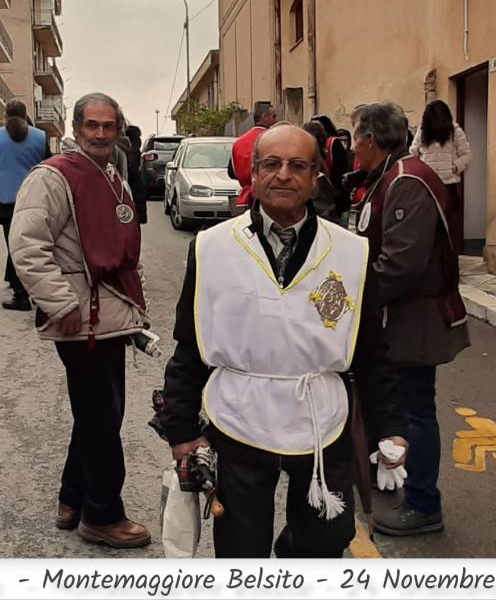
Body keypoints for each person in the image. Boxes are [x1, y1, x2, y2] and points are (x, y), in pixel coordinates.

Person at [159, 123, 407, 558]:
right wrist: (180, 429)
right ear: (253, 175)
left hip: (320, 418)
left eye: (298, 165)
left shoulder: (351, 253)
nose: (283, 175)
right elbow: (190, 344)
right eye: (271, 164)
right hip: (239, 415)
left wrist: (391, 428)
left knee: (326, 540)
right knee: (240, 544)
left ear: (316, 178)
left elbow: (371, 352)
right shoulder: (212, 247)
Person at [9, 92, 151, 549]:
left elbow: (127, 251)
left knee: (96, 413)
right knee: (101, 418)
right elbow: (28, 247)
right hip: (81, 319)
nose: (101, 134)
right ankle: (102, 514)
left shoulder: (114, 178)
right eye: (92, 125)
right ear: (76, 127)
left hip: (109, 314)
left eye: (109, 126)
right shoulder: (51, 178)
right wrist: (60, 302)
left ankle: (72, 499)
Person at [350, 102, 470, 537]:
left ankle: (423, 504)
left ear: (369, 139)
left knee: (415, 410)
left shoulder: (407, 181)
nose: (351, 148)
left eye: (354, 138)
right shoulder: (389, 176)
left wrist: (353, 299)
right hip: (398, 317)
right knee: (396, 403)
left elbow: (400, 265)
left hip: (413, 321)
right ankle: (393, 471)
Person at [0, 99, 49, 311]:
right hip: (36, 198)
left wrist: (0, 175)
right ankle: (40, 294)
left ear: (6, 114)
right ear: (25, 113)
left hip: (7, 199)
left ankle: (20, 297)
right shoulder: (40, 136)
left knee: (15, 248)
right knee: (37, 246)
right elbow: (48, 165)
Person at [409, 99, 471, 252]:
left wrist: (454, 167)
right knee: (426, 224)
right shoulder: (423, 132)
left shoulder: (455, 131)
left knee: (448, 225)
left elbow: (466, 154)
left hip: (448, 185)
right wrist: (419, 171)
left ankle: (448, 260)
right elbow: (413, 153)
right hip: (426, 186)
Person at [228, 101, 278, 208]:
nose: (276, 120)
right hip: (271, 198)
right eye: (273, 116)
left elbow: (232, 172)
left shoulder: (238, 143)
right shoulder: (275, 140)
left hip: (246, 200)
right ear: (264, 117)